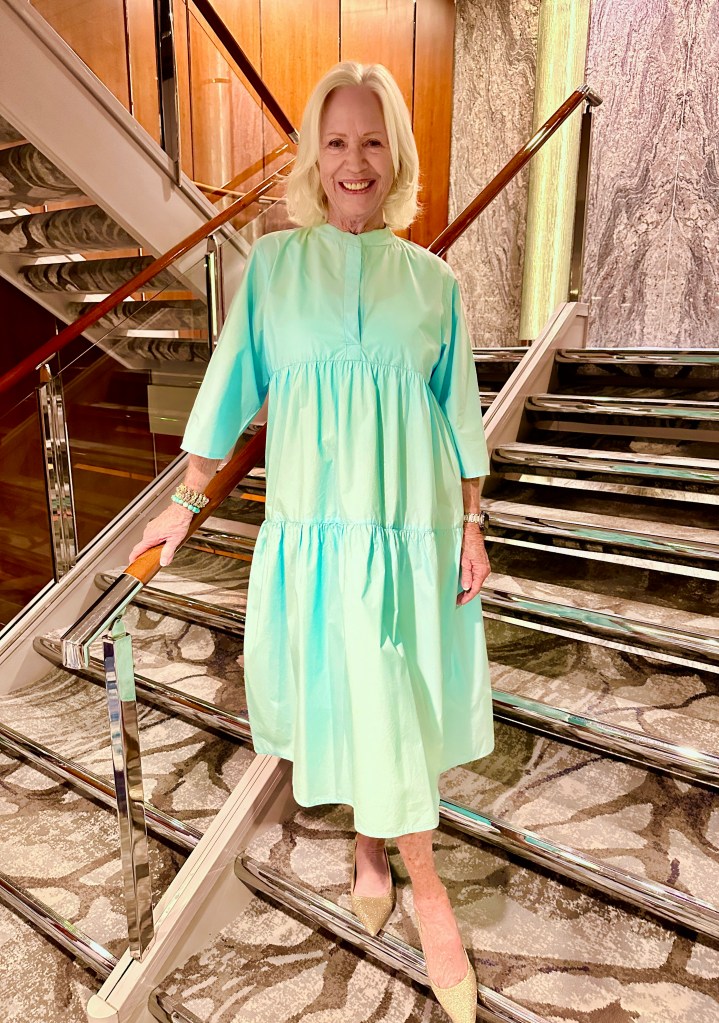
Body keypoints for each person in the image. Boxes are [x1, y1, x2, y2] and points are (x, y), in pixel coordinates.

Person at [129, 60, 494, 1023]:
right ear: (314, 156)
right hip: (319, 534)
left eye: (371, 141)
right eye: (336, 141)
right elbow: (229, 383)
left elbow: (458, 411)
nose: (353, 161)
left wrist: (470, 523)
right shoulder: (274, 267)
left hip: (408, 530)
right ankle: (383, 852)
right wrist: (185, 499)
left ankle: (415, 878)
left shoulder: (434, 283)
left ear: (395, 155)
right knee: (358, 689)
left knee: (394, 691)